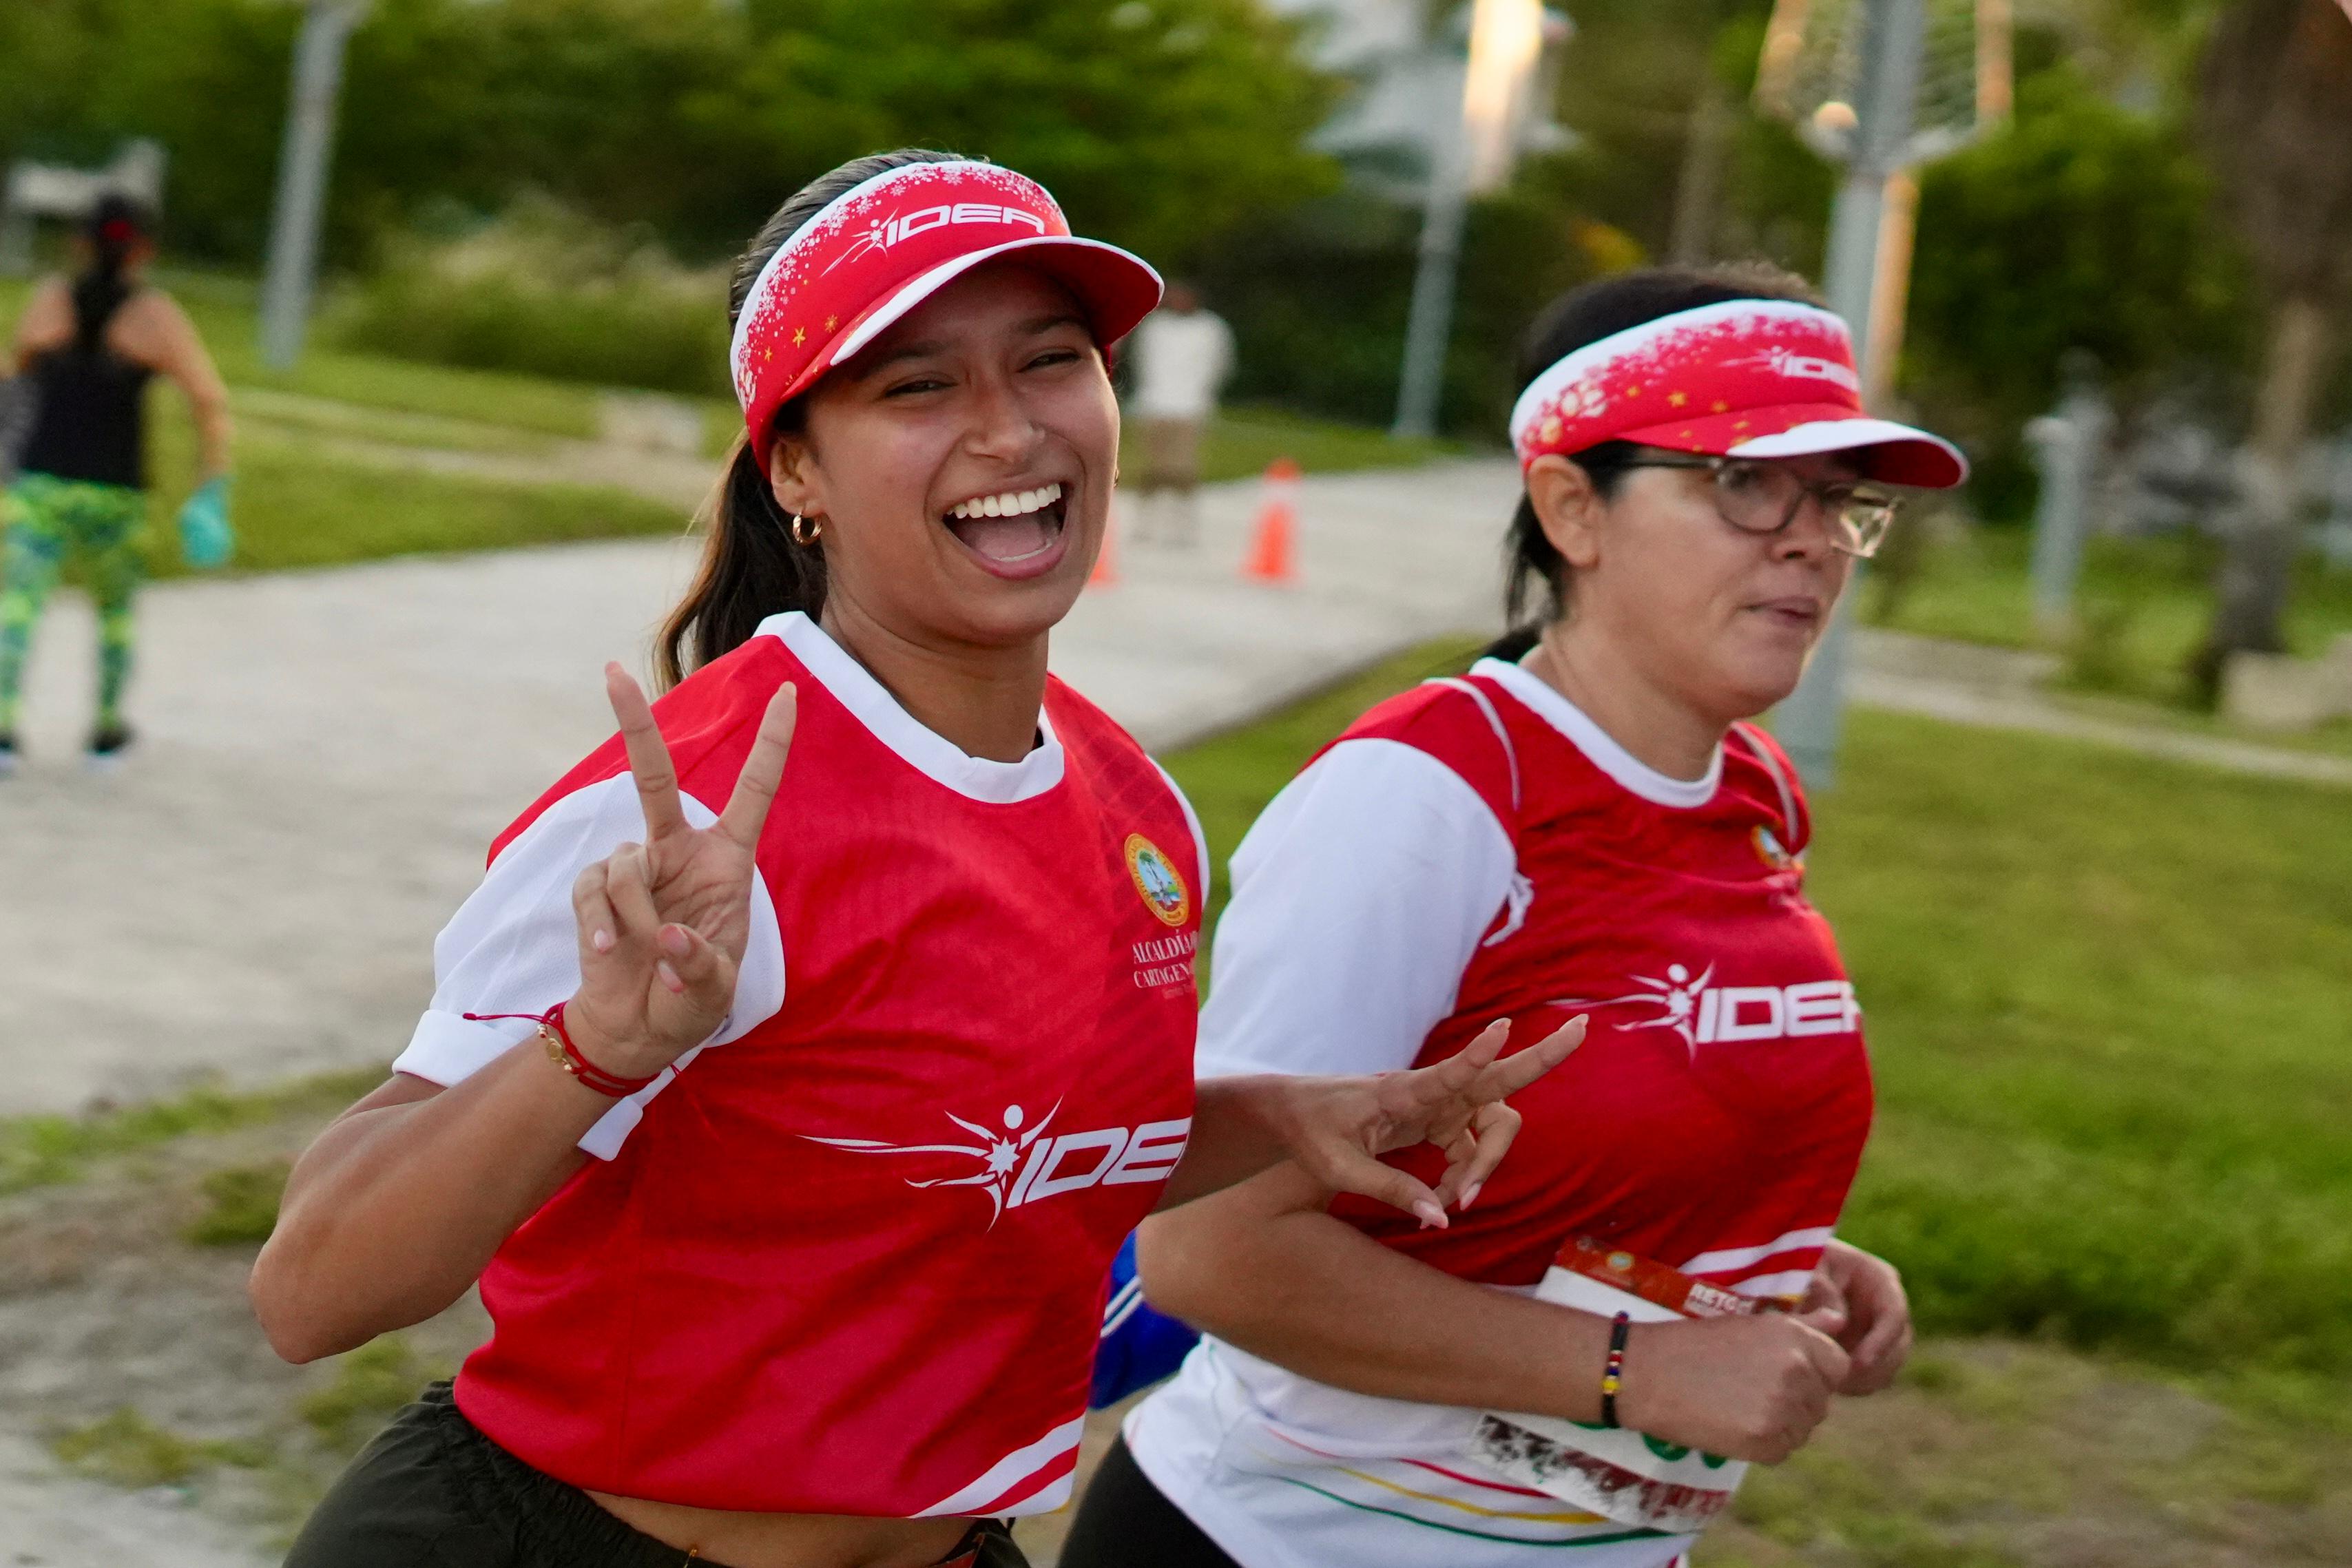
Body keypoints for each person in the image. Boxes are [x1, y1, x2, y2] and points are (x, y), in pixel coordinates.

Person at [250, 149, 1579, 1568]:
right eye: (918, 385)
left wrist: (1296, 1120)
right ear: (796, 467)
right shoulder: (696, 826)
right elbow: (313, 1289)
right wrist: (594, 1048)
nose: (1010, 431)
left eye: (1052, 363)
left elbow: (975, 1152)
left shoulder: (1141, 811)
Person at [1057, 264, 1971, 1568]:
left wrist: (1779, 1261)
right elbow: (1205, 1250)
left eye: (1841, 499)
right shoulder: (1427, 796)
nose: (1812, 537)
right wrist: (1633, 1371)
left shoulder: (1750, 793)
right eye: (1745, 482)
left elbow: (1587, 1155)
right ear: (1569, 507)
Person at [1, 194, 233, 774]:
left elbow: (14, 378)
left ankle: (3, 729)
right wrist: (211, 486)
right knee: (116, 615)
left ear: (79, 242)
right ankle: (105, 732)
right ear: (144, 250)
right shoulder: (155, 316)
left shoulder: (51, 301)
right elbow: (208, 398)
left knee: (17, 607)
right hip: (114, 491)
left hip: (42, 483)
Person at [1125, 280, 1234, 545]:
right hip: (1155, 404)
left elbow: (1220, 366)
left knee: (1183, 470)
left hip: (1190, 407)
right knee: (1152, 468)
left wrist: (1202, 395)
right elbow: (1143, 362)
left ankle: (1183, 526)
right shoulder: (1155, 328)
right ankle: (1145, 524)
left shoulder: (1211, 329)